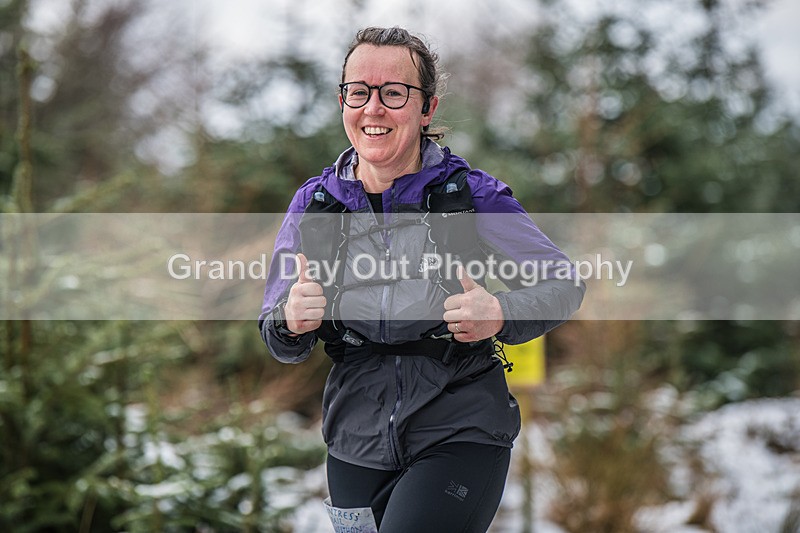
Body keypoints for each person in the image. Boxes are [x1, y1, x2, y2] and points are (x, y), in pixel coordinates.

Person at [259, 26, 585, 532]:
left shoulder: (472, 196)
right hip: (354, 437)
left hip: (460, 424)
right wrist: (290, 321)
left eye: (394, 93)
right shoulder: (314, 204)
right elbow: (275, 329)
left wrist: (498, 314)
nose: (373, 108)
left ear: (427, 108)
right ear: (342, 100)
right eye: (358, 91)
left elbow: (564, 283)